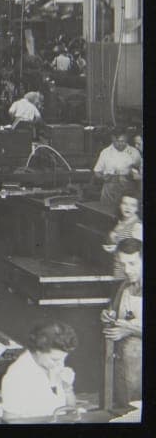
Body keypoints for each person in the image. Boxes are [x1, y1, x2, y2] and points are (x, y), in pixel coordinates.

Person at [0, 321, 78, 422]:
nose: (60, 364)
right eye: (55, 359)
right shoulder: (17, 376)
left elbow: (70, 411)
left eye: (64, 359)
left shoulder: (51, 365)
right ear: (38, 351)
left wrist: (67, 388)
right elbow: (11, 421)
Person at [101, 237, 142, 408]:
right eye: (123, 264)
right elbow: (114, 310)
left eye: (132, 264)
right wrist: (107, 315)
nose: (127, 270)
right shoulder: (124, 286)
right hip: (122, 359)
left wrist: (130, 330)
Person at [94, 128, 143, 209]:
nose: (120, 144)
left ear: (127, 139)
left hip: (128, 188)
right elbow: (97, 171)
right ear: (112, 139)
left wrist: (133, 174)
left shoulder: (135, 152)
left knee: (126, 212)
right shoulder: (105, 152)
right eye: (116, 141)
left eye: (123, 141)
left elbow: (139, 172)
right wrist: (103, 177)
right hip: (109, 188)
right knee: (107, 213)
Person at [107, 191, 142, 277]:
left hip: (128, 272)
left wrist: (115, 248)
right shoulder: (121, 222)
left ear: (137, 208)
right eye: (125, 203)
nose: (128, 208)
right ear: (120, 205)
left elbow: (139, 254)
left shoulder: (137, 226)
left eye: (132, 205)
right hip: (118, 268)